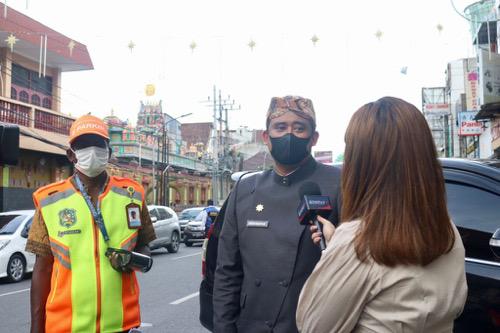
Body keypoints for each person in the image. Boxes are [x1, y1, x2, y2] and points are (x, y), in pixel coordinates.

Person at [296, 97, 468, 332]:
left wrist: (334, 252)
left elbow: (313, 326)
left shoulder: (356, 242)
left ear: (360, 163)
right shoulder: (448, 232)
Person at [213, 96, 341, 333]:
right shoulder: (245, 189)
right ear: (266, 137)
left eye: (299, 128)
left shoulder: (339, 184)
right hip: (251, 324)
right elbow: (227, 272)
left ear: (314, 138)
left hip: (311, 324)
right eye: (280, 127)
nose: (289, 135)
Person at [26, 115, 156, 333]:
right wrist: (36, 328)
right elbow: (42, 270)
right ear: (71, 154)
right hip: (65, 327)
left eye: (98, 145)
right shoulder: (49, 200)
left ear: (109, 152)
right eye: (83, 145)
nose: (92, 151)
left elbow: (145, 246)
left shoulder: (132, 195)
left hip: (122, 325)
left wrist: (132, 260)